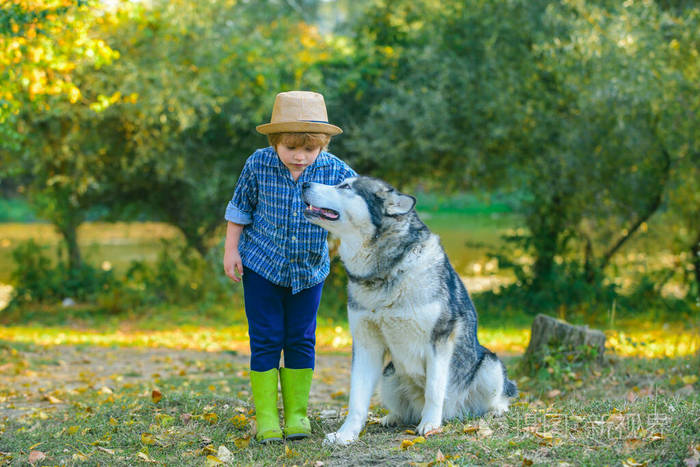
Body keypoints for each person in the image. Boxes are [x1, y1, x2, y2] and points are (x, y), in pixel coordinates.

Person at [223, 91, 356, 443]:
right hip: (261, 267)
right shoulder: (258, 163)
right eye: (290, 148)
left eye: (309, 150)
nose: (300, 157)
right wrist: (231, 250)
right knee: (266, 339)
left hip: (309, 271)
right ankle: (267, 418)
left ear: (322, 146)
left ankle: (297, 415)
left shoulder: (334, 170)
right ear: (275, 141)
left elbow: (360, 202)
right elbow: (240, 208)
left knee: (300, 338)